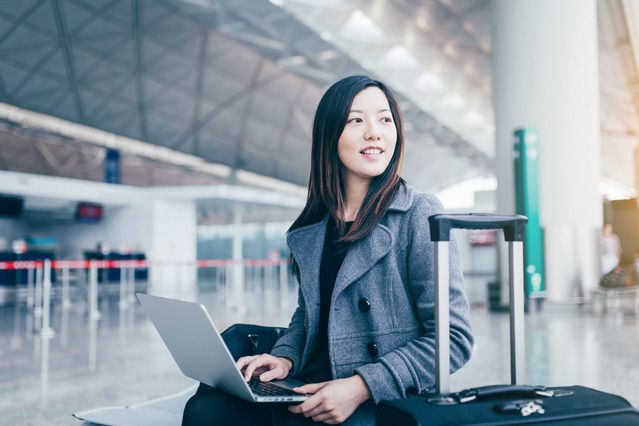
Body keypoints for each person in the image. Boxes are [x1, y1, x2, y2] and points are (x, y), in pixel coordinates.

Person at [182, 75, 474, 425]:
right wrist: (284, 359)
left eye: (385, 119)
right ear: (329, 134)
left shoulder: (417, 213)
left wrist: (361, 386)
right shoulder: (316, 226)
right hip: (311, 386)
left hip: (381, 399)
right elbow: (310, 317)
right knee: (207, 410)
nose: (374, 132)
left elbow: (453, 338)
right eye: (356, 120)